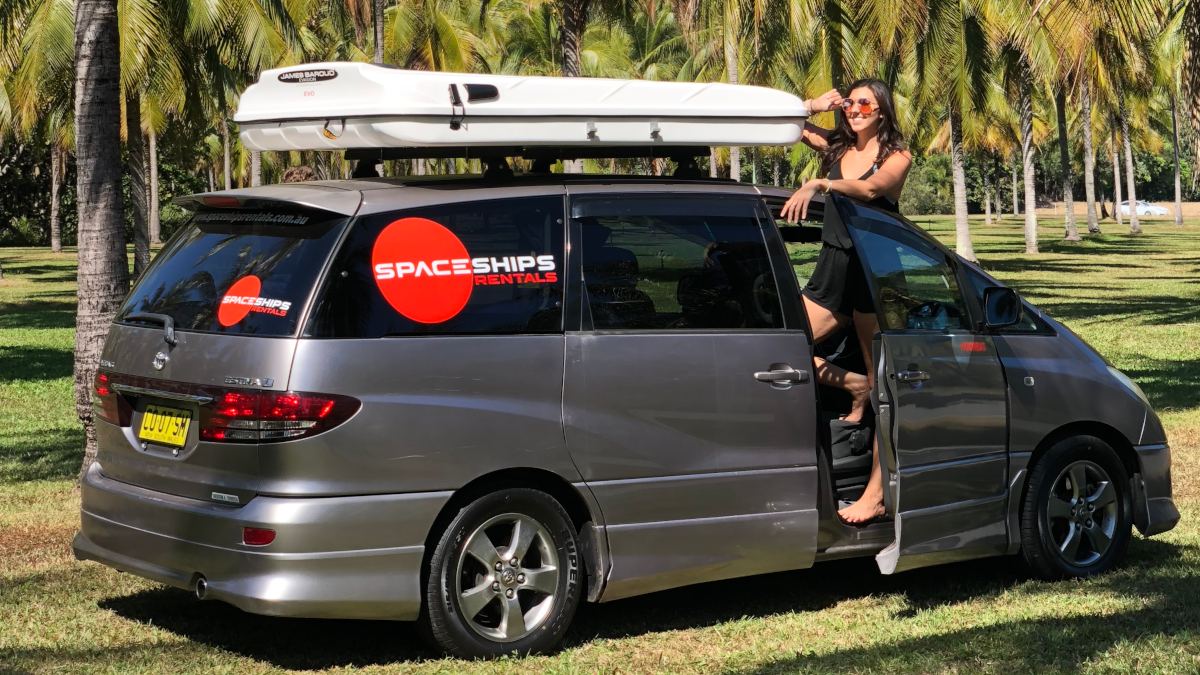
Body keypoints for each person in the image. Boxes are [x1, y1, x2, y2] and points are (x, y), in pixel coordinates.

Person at [780, 78, 913, 525]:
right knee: (781, 345)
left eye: (865, 104)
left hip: (873, 275)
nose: (855, 109)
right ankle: (849, 384)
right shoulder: (836, 149)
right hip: (833, 267)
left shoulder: (896, 156)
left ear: (881, 112)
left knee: (886, 390)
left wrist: (821, 183)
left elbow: (874, 190)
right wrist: (812, 103)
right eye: (851, 102)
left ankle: (876, 493)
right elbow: (785, 122)